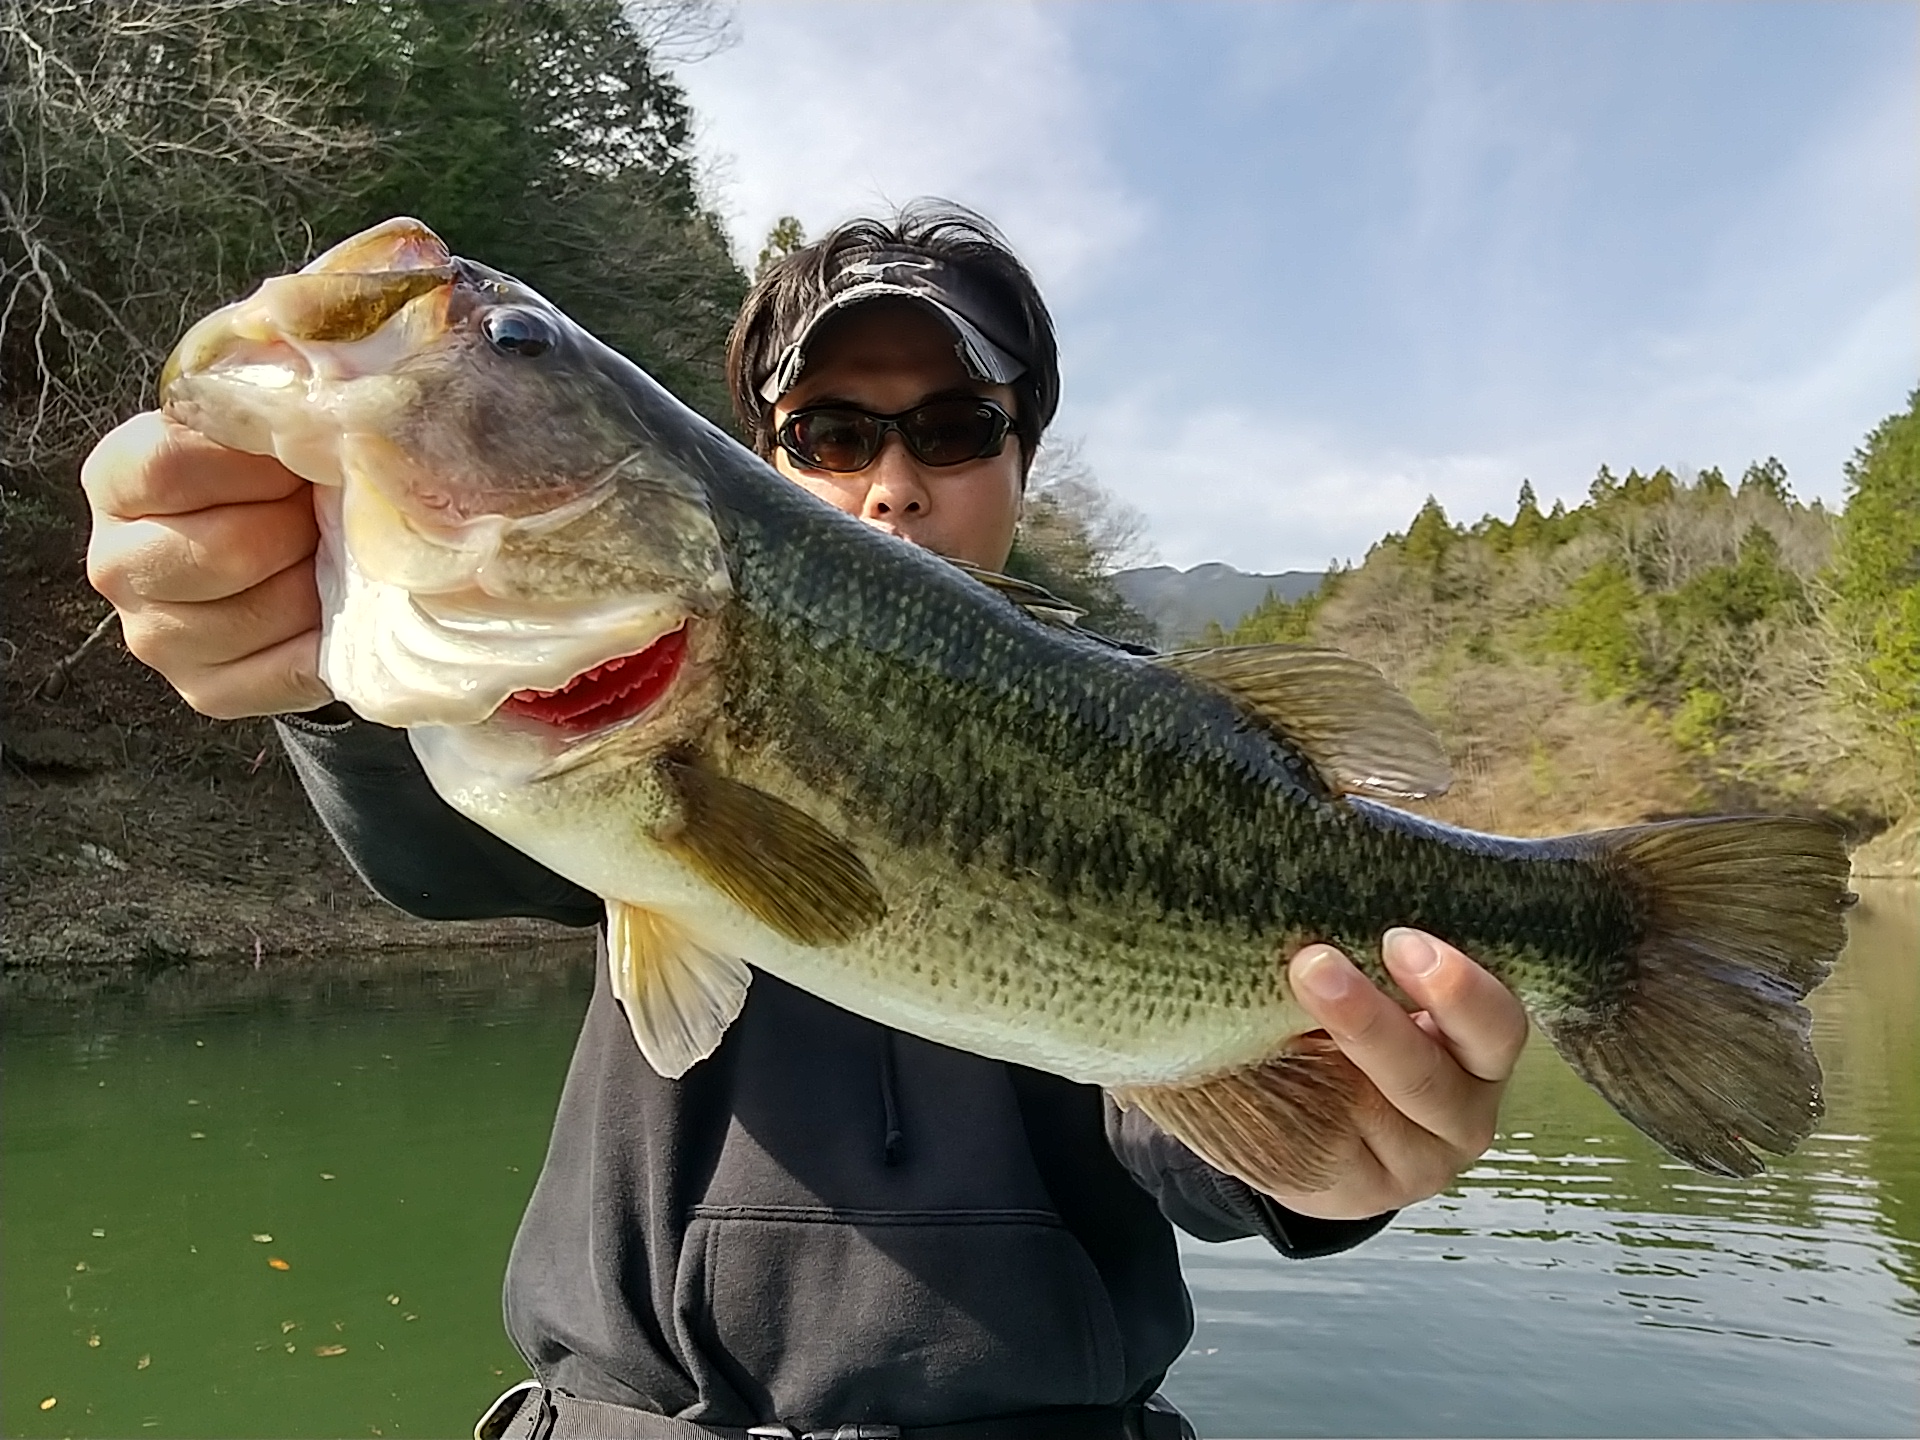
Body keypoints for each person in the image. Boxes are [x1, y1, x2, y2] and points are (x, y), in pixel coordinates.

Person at [83, 202, 1528, 1439]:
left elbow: (1185, 1125)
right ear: (759, 462)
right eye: (834, 430)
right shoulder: (606, 710)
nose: (893, 478)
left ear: (1025, 460)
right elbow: (436, 850)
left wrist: (1332, 1164)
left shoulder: (1152, 740)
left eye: (956, 428)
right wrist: (315, 681)